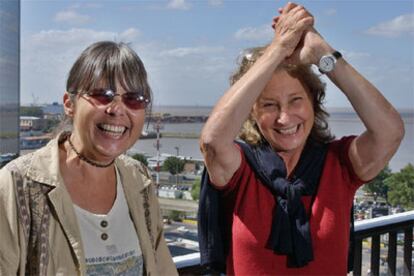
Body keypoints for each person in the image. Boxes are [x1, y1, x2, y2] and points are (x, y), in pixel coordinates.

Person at [198, 2, 404, 275]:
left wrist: (324, 55)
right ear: (253, 114)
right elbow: (212, 141)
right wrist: (279, 48)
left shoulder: (339, 165)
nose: (284, 118)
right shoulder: (242, 169)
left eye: (296, 101)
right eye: (269, 105)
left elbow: (390, 132)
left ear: (314, 103)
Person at [0, 41, 177, 275]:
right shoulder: (17, 185)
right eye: (102, 95)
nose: (117, 109)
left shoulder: (139, 180)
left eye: (133, 99)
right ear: (69, 104)